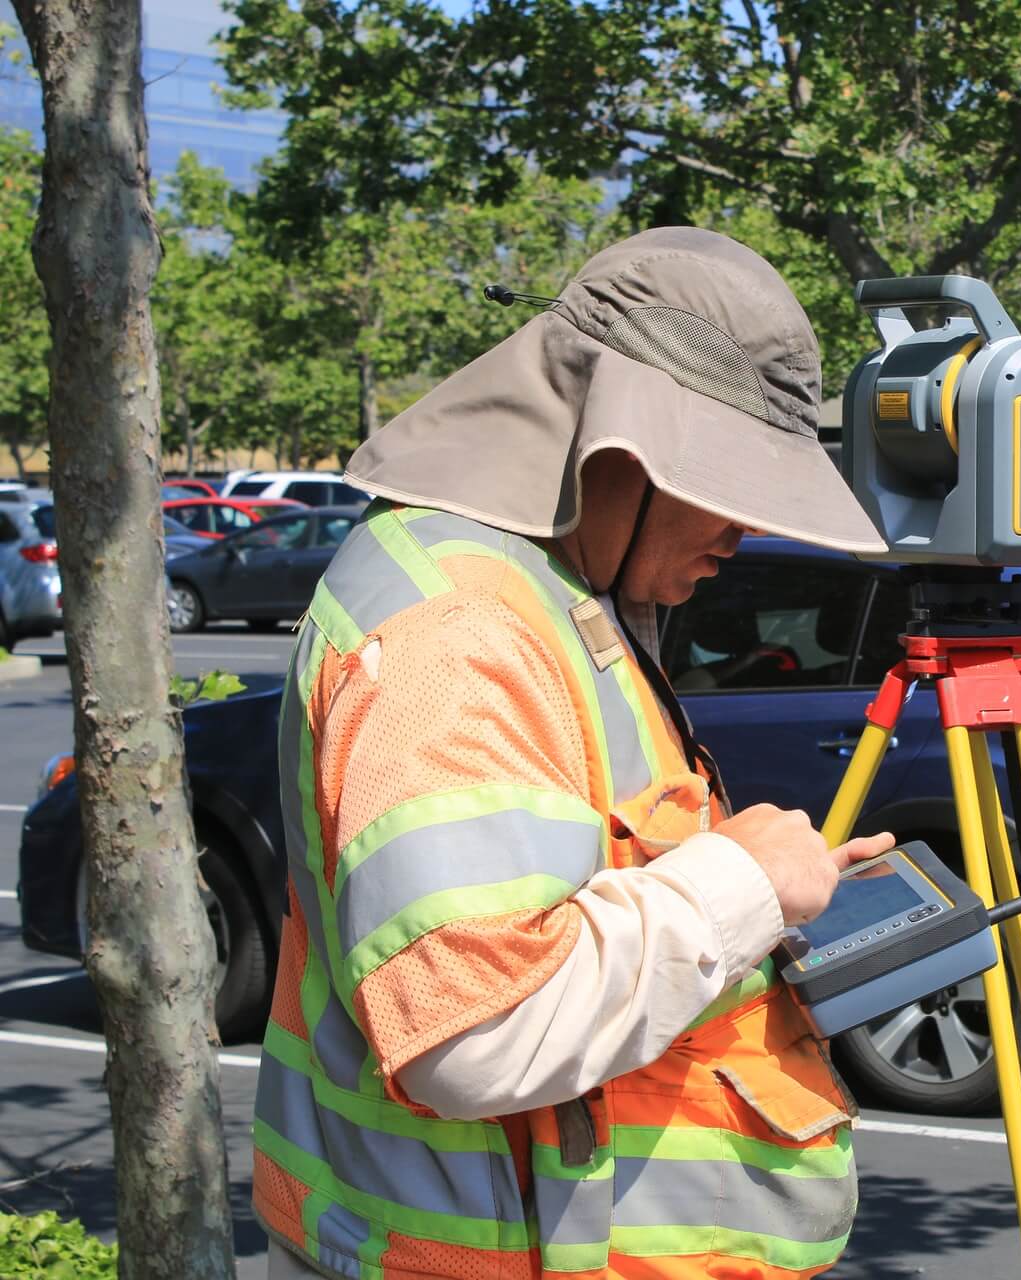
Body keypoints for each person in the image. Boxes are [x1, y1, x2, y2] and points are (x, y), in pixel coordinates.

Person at [255, 228, 894, 1279]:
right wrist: (741, 881)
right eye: (726, 483)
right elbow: (478, 1026)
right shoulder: (459, 631)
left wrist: (775, 887)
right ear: (620, 450)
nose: (743, 534)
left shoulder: (547, 591)